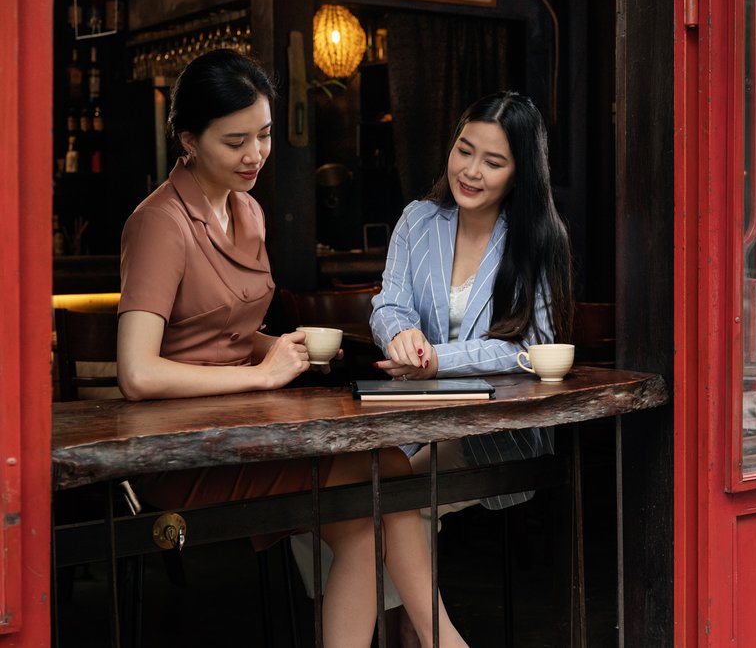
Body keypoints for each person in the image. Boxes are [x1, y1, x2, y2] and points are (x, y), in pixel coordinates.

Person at [116, 49, 467, 648]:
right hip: (181, 447)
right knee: (381, 472)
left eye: (265, 135)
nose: (255, 155)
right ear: (188, 139)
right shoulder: (160, 223)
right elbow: (138, 373)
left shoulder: (247, 210)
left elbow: (218, 331)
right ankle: (445, 641)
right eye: (235, 141)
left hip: (243, 427)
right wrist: (262, 375)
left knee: (376, 490)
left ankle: (439, 639)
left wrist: (275, 346)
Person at [370, 90, 573, 510]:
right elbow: (389, 304)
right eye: (465, 150)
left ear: (520, 172)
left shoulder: (538, 239)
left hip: (498, 430)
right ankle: (425, 582)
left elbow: (531, 349)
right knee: (324, 508)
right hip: (412, 420)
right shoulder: (418, 221)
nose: (471, 171)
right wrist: (401, 334)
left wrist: (439, 361)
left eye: (493, 163)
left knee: (379, 503)